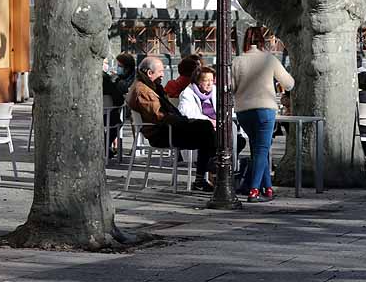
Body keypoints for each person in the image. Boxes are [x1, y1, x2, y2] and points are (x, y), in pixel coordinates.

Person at [126, 56, 216, 192]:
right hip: (161, 133)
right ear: (150, 73)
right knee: (206, 129)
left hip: (166, 129)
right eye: (161, 71)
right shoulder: (143, 90)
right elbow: (160, 115)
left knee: (206, 132)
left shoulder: (150, 86)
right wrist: (185, 122)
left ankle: (205, 173)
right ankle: (212, 168)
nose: (163, 74)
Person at [232, 31, 295, 203]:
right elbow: (289, 83)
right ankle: (254, 190)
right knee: (261, 149)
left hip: (243, 110)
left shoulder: (237, 61)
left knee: (259, 148)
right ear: (263, 41)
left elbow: (231, 87)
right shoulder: (269, 59)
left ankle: (267, 189)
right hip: (265, 108)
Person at [103, 58, 126, 159]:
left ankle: (105, 147)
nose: (107, 65)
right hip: (106, 115)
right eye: (106, 63)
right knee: (118, 122)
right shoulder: (106, 79)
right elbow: (119, 99)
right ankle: (104, 146)